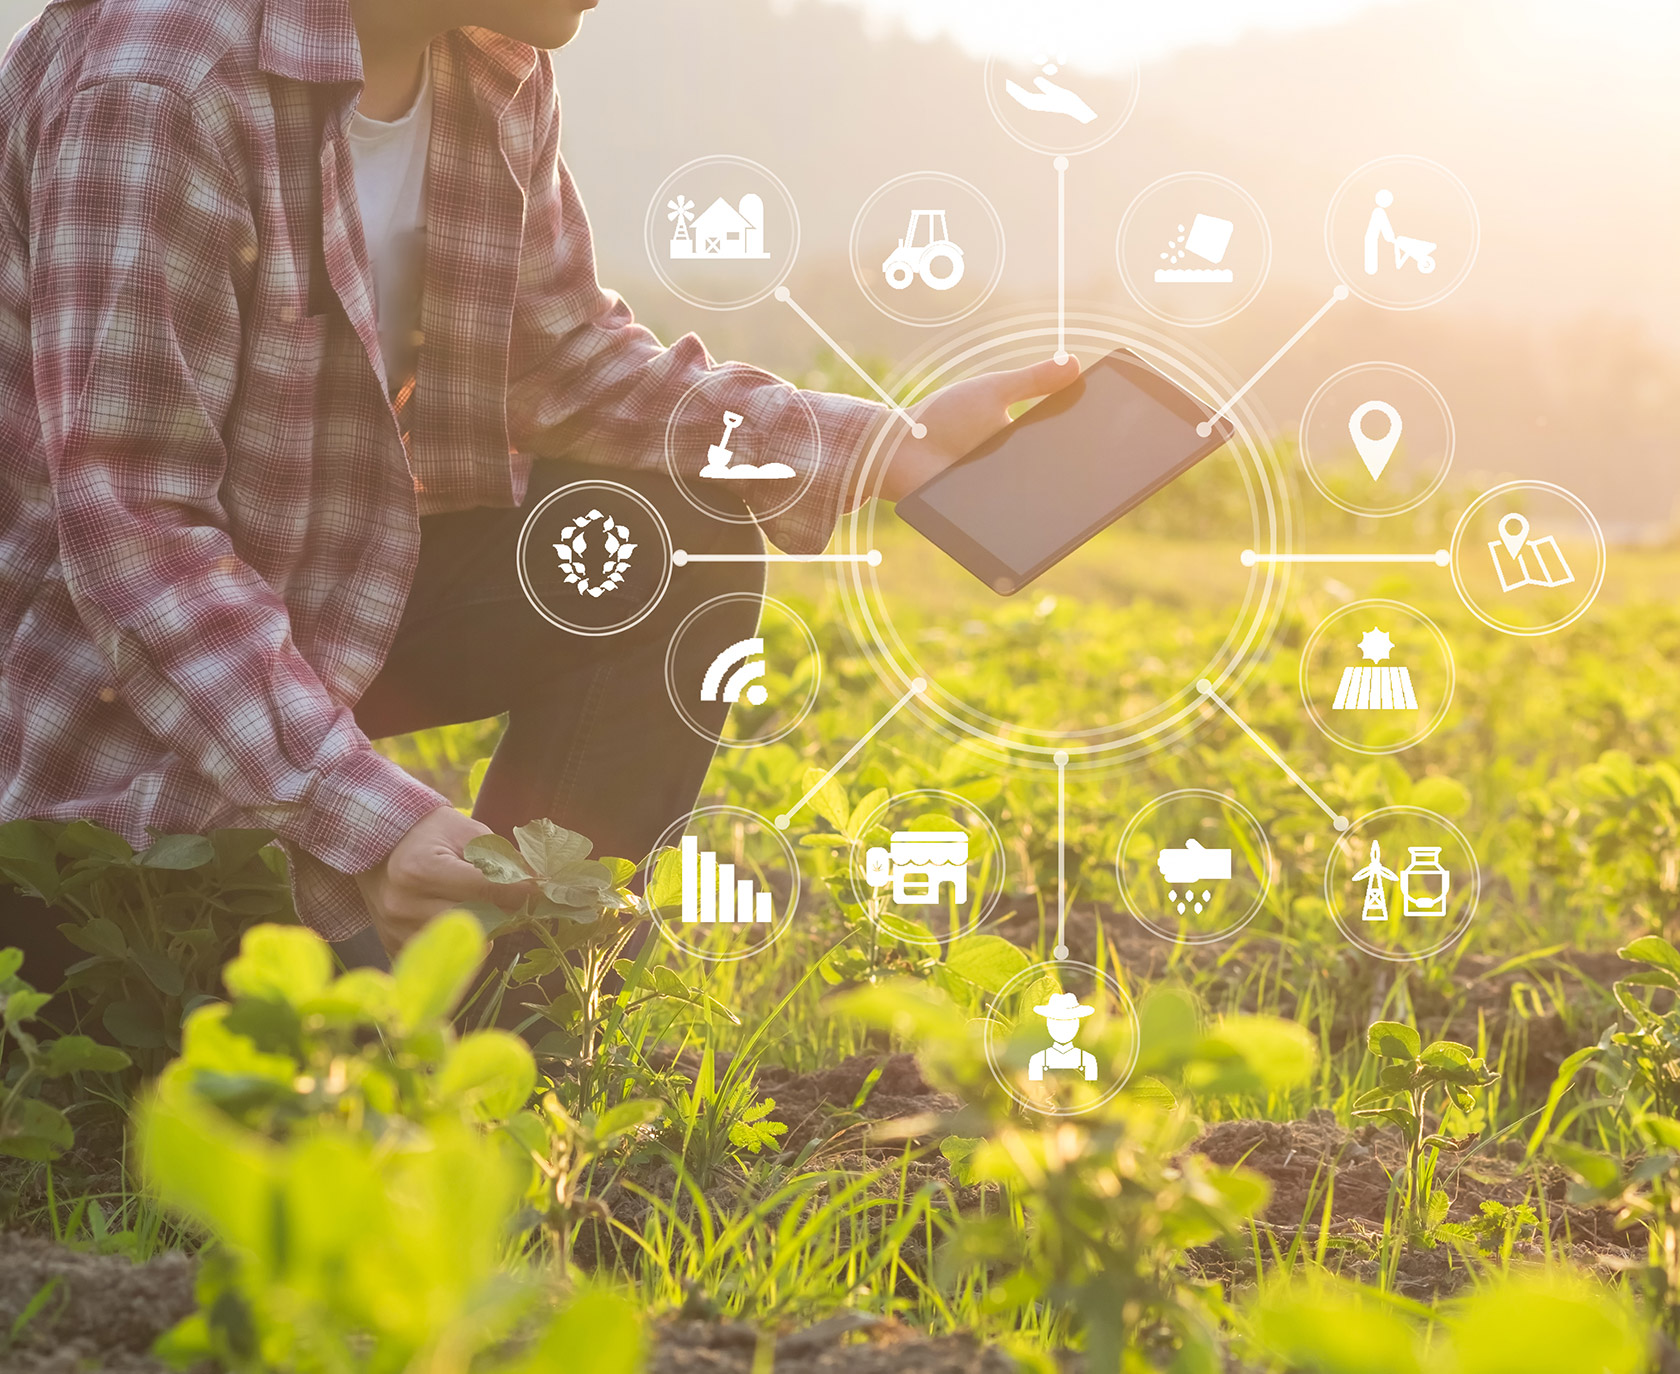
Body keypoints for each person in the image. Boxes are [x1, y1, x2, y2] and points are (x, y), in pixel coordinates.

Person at [0, 0, 1077, 989]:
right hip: (95, 713)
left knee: (677, 539)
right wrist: (367, 823)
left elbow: (557, 357)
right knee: (213, 1055)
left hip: (313, 621)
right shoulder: (157, 88)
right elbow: (134, 532)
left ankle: (518, 997)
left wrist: (892, 449)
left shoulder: (488, 57)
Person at [1026, 991, 1097, 1082]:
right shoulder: (1038, 1059)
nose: (1063, 1026)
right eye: (1056, 1020)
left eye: (1069, 1020)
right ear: (1048, 1024)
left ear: (1077, 1024)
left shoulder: (1088, 1060)